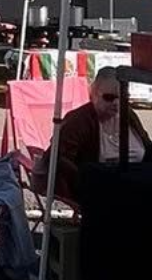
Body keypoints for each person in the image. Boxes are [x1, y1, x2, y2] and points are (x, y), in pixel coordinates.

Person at [38, 67, 151, 205]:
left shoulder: (129, 115)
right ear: (94, 94)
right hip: (101, 192)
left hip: (138, 183)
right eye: (109, 97)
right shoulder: (78, 121)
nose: (116, 103)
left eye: (123, 97)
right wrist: (93, 180)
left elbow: (148, 147)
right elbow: (59, 160)